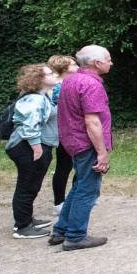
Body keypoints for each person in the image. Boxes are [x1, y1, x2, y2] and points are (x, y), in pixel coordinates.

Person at [52, 45, 113, 250]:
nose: (110, 63)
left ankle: (61, 230)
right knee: (88, 190)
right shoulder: (90, 84)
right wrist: (102, 152)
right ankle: (76, 236)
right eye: (108, 59)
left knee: (79, 186)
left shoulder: (71, 80)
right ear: (97, 63)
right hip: (86, 144)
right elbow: (92, 122)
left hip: (72, 141)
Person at [4, 64, 60, 239]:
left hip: (32, 146)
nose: (54, 75)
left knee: (31, 185)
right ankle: (22, 227)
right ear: (40, 79)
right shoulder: (35, 100)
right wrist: (36, 148)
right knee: (27, 186)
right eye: (50, 73)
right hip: (27, 147)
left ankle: (26, 219)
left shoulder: (42, 96)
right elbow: (29, 125)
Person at [46, 54, 79, 216]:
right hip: (66, 132)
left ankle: (62, 202)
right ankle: (61, 203)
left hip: (62, 132)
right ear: (64, 68)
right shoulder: (61, 86)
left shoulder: (57, 85)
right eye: (73, 65)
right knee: (67, 167)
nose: (77, 67)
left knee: (64, 167)